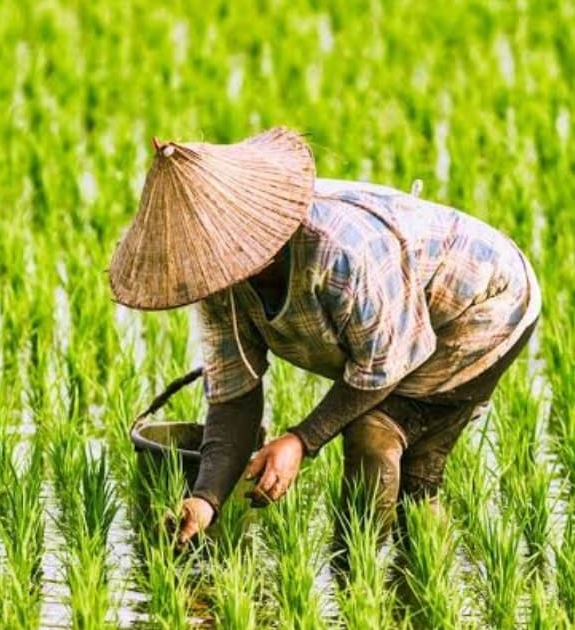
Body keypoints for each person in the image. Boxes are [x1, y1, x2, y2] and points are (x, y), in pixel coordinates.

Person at [108, 127, 540, 563]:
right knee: (413, 481)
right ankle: (406, 585)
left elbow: (380, 367)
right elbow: (234, 398)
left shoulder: (340, 254)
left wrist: (299, 440)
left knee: (376, 432)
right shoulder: (220, 285)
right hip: (405, 324)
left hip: (485, 303)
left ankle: (358, 578)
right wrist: (205, 500)